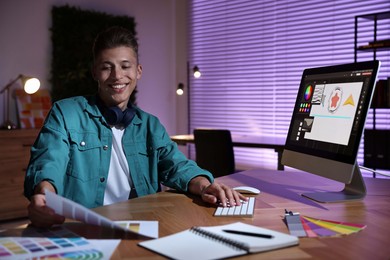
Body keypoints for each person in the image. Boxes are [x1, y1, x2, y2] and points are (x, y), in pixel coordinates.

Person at [24, 26, 247, 228]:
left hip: (143, 226)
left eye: (125, 66)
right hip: (84, 228)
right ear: (94, 72)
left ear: (138, 71)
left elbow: (177, 166)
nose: (117, 75)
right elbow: (49, 161)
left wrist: (205, 184)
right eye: (106, 67)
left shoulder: (150, 125)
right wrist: (45, 194)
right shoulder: (65, 113)